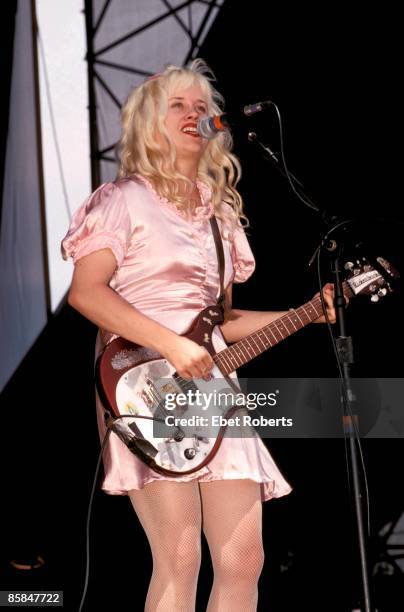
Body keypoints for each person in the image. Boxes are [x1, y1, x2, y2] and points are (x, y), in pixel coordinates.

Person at [61, 59, 336, 611]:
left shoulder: (220, 217)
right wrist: (170, 344)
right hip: (142, 385)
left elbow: (223, 322)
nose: (196, 114)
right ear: (148, 123)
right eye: (179, 105)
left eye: (203, 107)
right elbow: (87, 294)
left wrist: (307, 312)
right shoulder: (122, 200)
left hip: (213, 386)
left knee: (243, 561)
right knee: (180, 559)